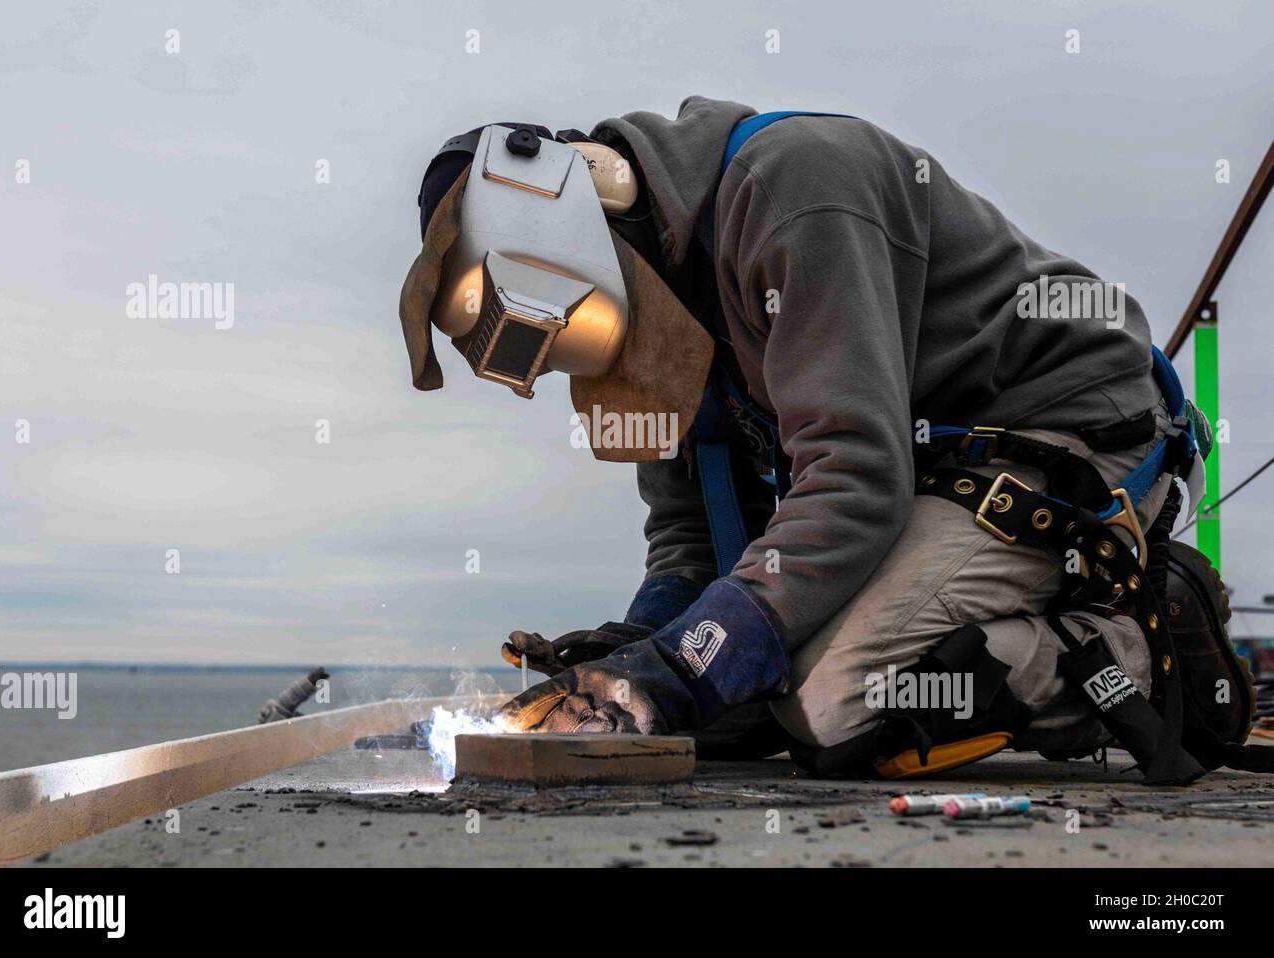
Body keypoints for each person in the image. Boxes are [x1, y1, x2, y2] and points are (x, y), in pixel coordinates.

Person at [398, 98, 1261, 782]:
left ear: (586, 195)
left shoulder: (794, 190)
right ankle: (981, 601)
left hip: (1068, 434)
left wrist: (679, 669)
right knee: (731, 704)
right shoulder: (650, 323)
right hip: (916, 471)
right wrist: (642, 649)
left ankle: (1134, 649)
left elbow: (854, 478)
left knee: (831, 699)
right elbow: (693, 539)